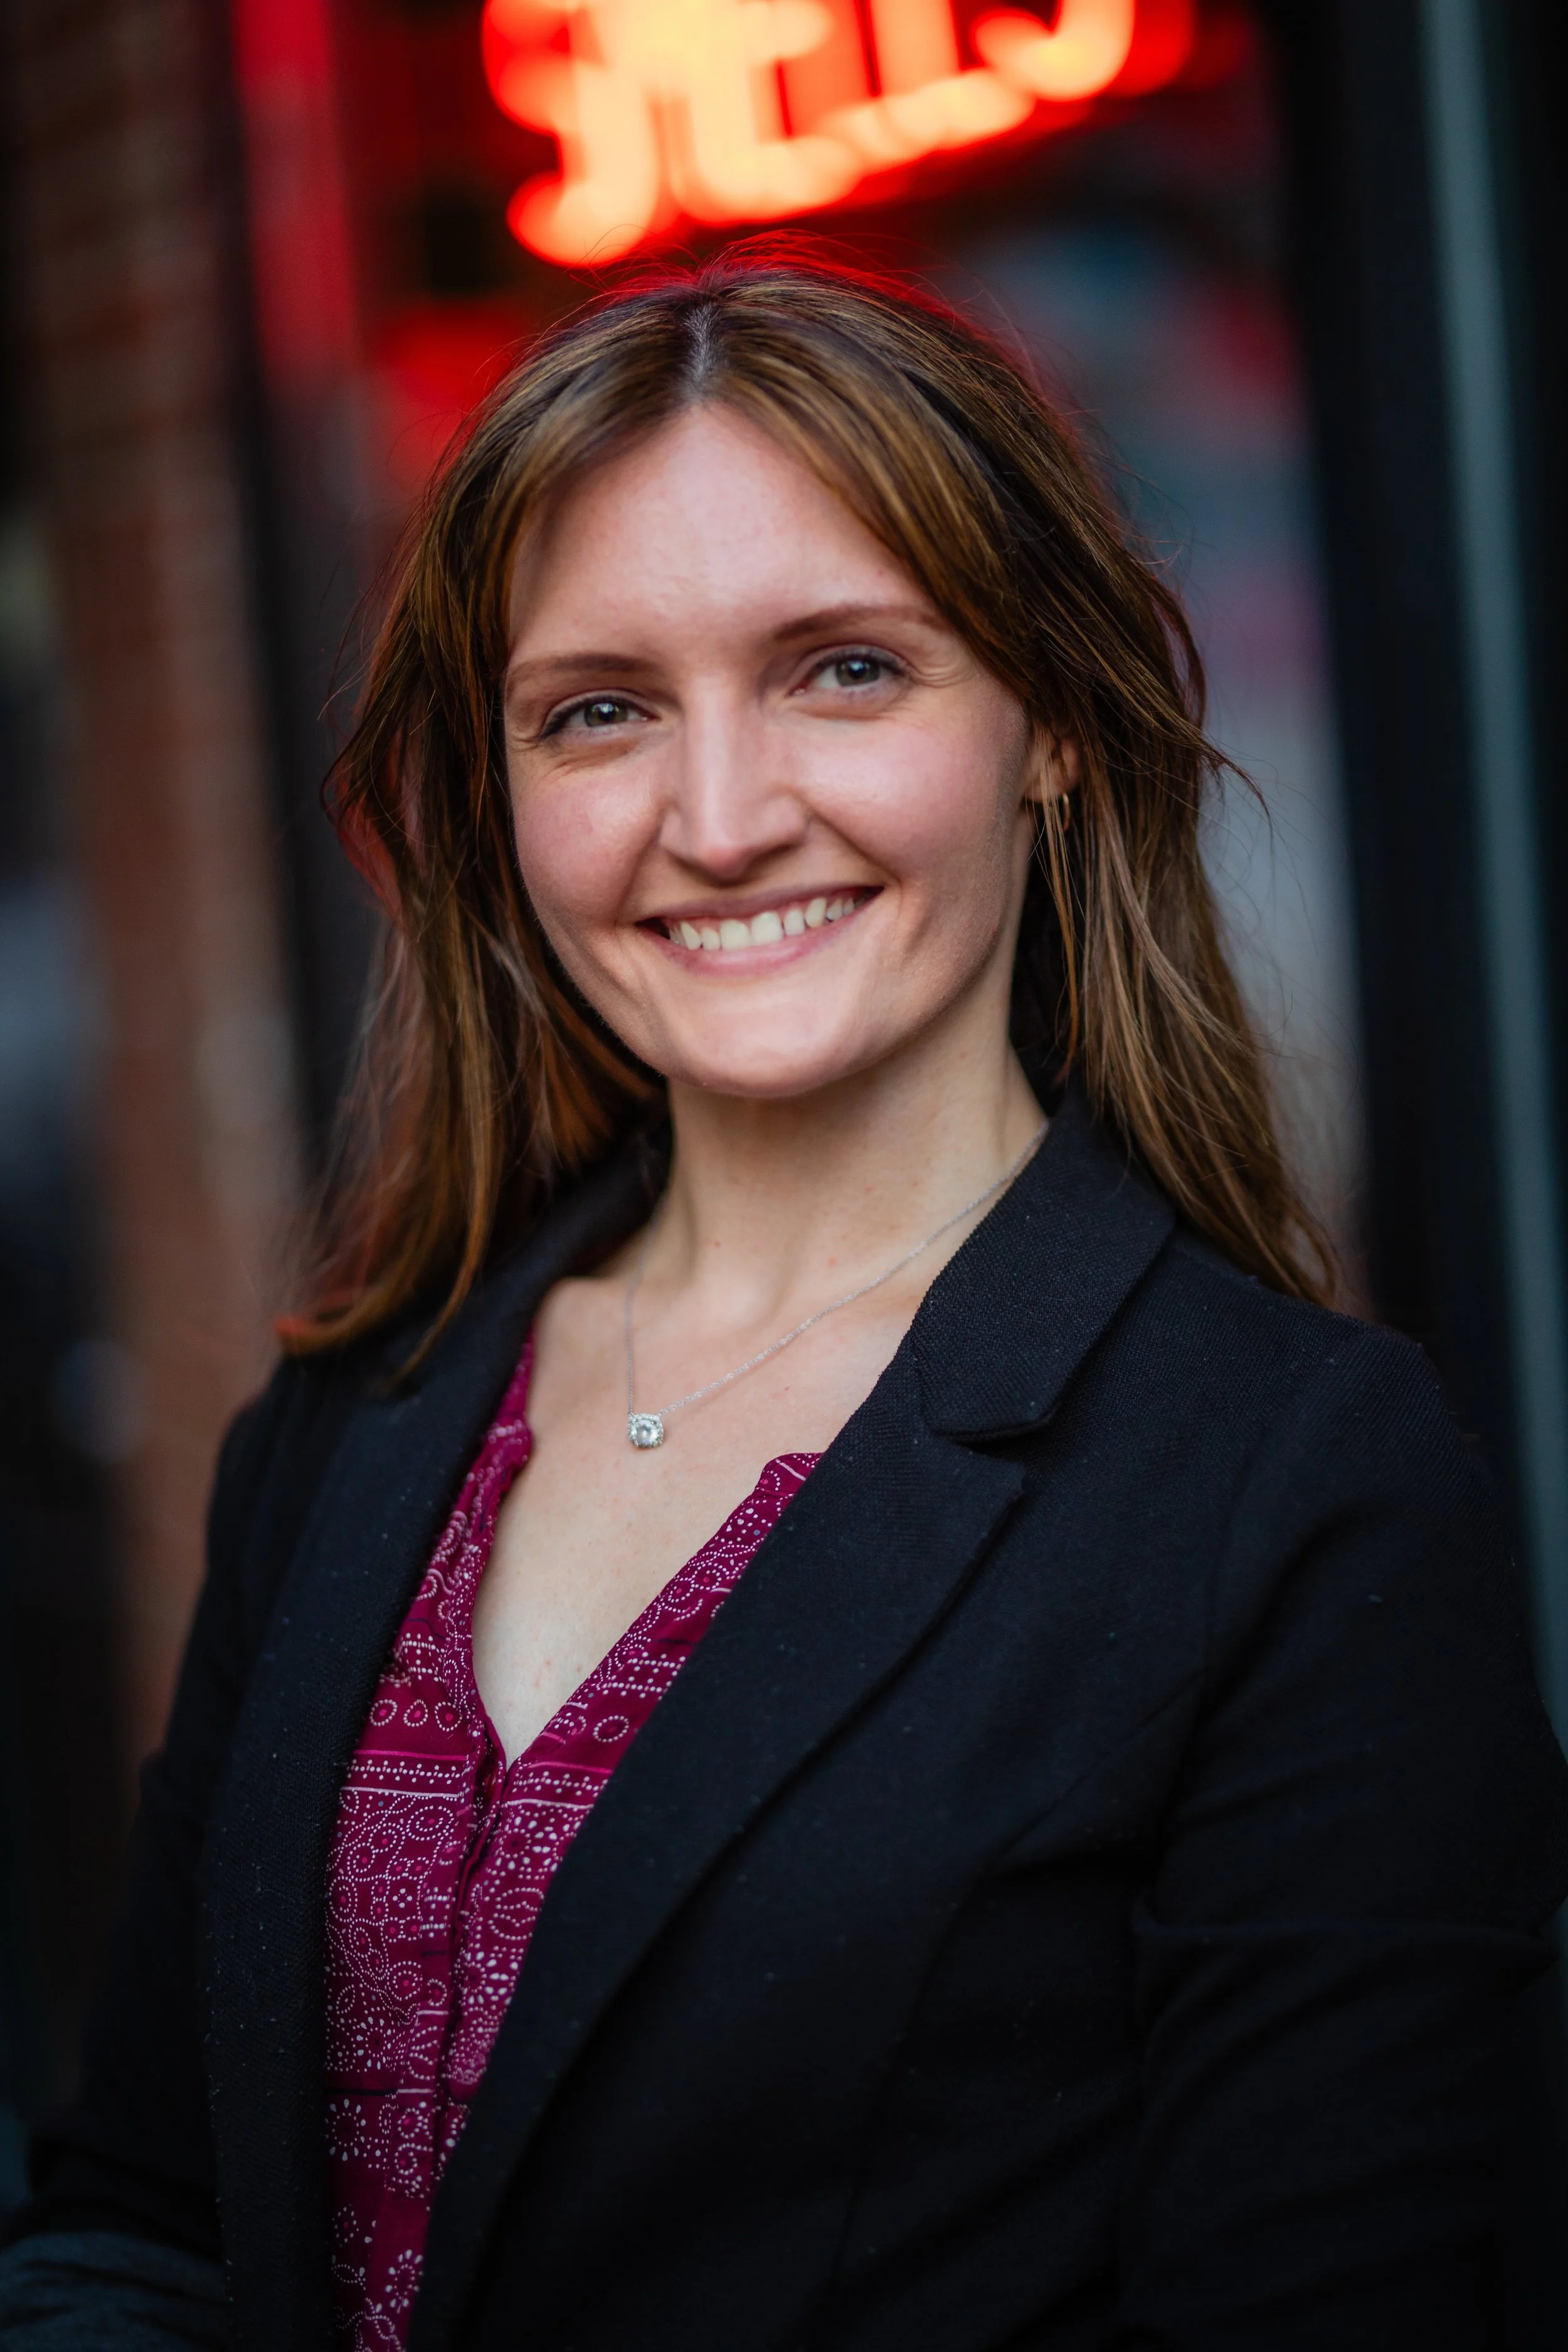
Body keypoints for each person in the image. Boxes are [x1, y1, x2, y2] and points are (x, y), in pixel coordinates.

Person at [3, 254, 1564, 2352]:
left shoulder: (1293, 1488)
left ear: (1056, 735)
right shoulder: (353, 1420)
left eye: (843, 669)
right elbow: (142, 2221)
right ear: (501, 800)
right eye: (599, 710)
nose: (718, 821)